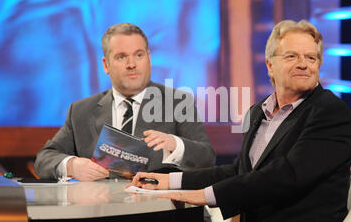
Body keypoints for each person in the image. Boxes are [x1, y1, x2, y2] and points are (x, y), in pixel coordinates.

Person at [129, 20, 351, 222]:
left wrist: (204, 196)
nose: (304, 65)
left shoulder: (330, 112)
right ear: (270, 64)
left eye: (311, 58)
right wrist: (169, 181)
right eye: (292, 56)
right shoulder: (258, 112)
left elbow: (287, 175)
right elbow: (241, 171)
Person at [34, 22, 216, 182]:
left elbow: (207, 158)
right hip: (100, 215)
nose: (132, 64)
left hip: (159, 215)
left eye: (139, 55)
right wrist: (72, 165)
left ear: (149, 58)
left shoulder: (177, 102)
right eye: (122, 57)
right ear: (106, 65)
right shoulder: (81, 111)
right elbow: (44, 159)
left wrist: (175, 145)